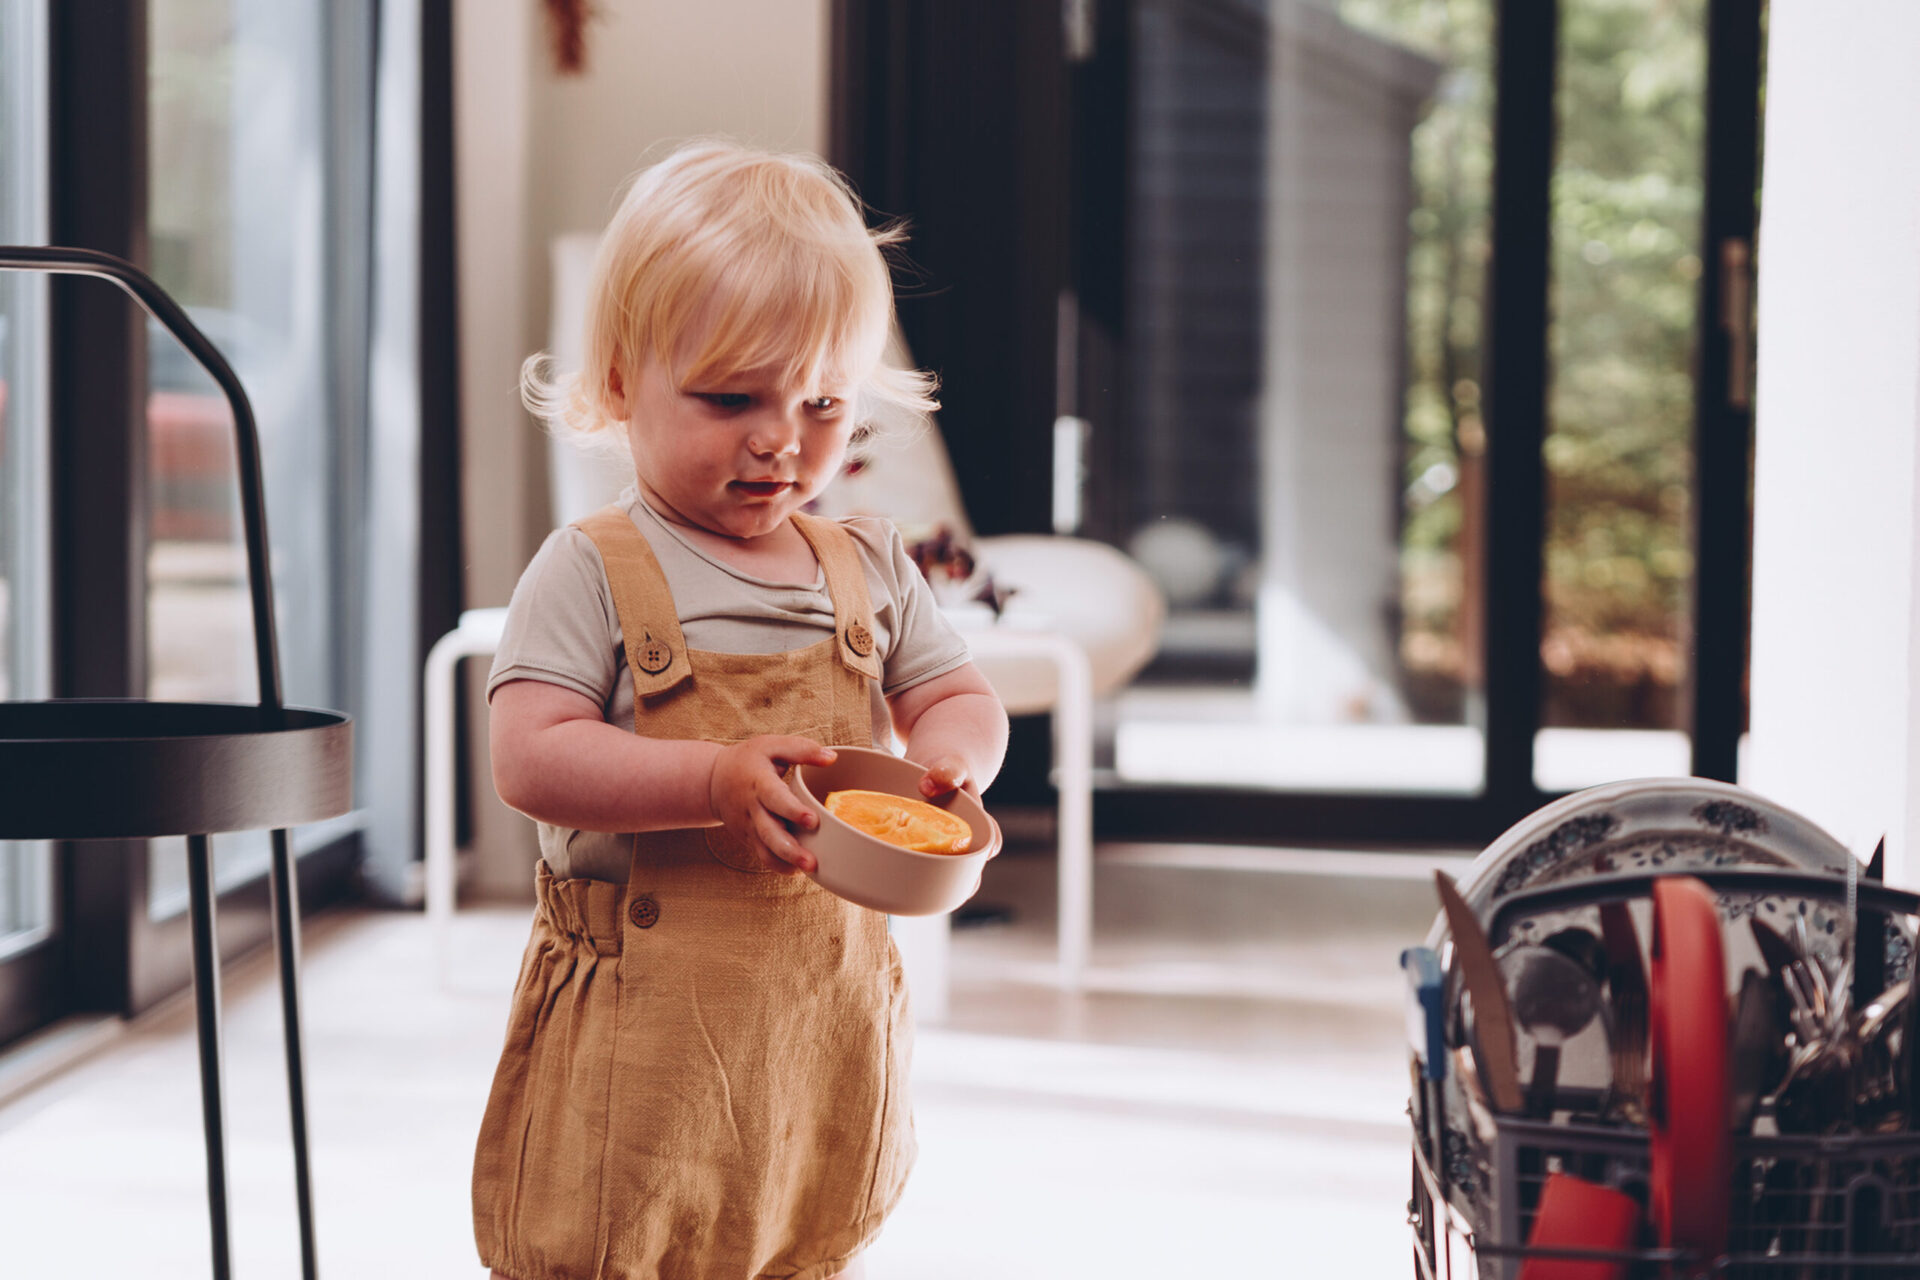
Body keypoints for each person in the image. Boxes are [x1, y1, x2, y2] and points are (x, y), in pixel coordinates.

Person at [470, 138, 1010, 1280]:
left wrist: (954, 764)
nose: (780, 439)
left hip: (815, 1032)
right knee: (614, 1239)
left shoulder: (868, 563)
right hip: (638, 1043)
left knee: (798, 1233)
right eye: (730, 399)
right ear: (623, 383)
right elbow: (530, 755)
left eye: (822, 403)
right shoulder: (591, 567)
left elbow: (955, 693)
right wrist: (709, 781)